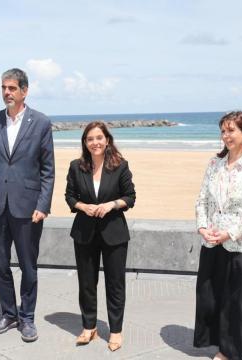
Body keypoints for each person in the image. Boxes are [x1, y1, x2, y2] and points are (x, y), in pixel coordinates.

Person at [0, 68, 55, 342]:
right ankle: (9, 314)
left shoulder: (41, 123)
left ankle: (28, 318)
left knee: (28, 266)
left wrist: (43, 204)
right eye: (3, 88)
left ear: (24, 90)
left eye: (11, 88)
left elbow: (48, 170)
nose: (7, 93)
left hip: (28, 208)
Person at [193, 111, 242, 360]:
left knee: (238, 301)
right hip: (212, 241)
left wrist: (230, 233)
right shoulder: (214, 164)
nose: (226, 135)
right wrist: (202, 226)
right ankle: (219, 343)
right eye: (223, 130)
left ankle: (233, 352)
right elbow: (202, 200)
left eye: (231, 130)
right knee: (211, 295)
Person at [64, 121, 136, 352]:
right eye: (90, 139)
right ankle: (89, 327)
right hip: (84, 233)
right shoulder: (77, 166)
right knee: (86, 283)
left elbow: (130, 197)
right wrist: (83, 207)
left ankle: (115, 331)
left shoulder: (120, 166)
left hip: (114, 233)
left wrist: (111, 205)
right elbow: (70, 197)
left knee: (115, 284)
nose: (95, 142)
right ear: (85, 143)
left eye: (98, 138)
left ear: (107, 140)